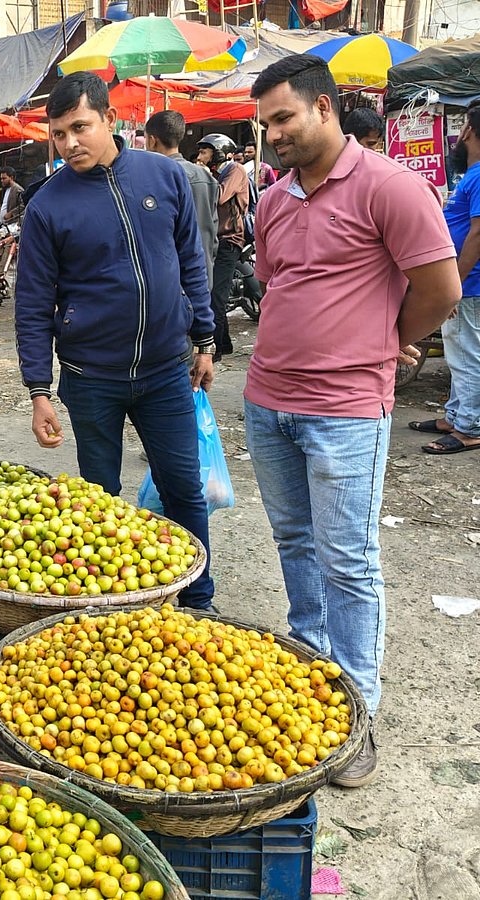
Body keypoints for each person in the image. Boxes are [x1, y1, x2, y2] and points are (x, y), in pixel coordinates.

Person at [247, 54, 460, 787]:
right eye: (265, 122)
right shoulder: (273, 202)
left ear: (326, 109)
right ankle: (313, 676)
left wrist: (390, 339)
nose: (274, 133)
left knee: (349, 561)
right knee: (295, 542)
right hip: (267, 401)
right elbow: (278, 286)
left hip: (346, 410)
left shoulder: (391, 188)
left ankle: (359, 712)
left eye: (285, 117)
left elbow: (442, 288)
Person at [16, 72, 218, 612]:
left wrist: (205, 337)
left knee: (183, 490)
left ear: (109, 119)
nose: (68, 144)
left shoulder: (163, 176)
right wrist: (38, 388)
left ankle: (197, 598)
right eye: (57, 134)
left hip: (165, 372)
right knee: (99, 499)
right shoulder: (47, 206)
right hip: (90, 380)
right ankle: (112, 608)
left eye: (79, 127)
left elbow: (190, 262)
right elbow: (33, 303)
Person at [415, 99, 480, 455]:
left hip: (469, 284)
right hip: (464, 283)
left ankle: (469, 427)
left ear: (468, 130)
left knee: (468, 355)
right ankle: (455, 417)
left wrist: (452, 285)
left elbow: (478, 234)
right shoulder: (473, 175)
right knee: (458, 353)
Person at [145, 110, 218, 288]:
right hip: (202, 275)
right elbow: (213, 231)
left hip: (173, 280)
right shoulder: (208, 177)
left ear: (152, 140)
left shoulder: (155, 177)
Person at [198, 133, 249, 361]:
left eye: (204, 152)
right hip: (217, 240)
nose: (200, 156)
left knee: (215, 297)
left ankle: (215, 350)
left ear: (217, 152)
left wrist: (202, 175)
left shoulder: (235, 170)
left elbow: (218, 196)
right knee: (215, 293)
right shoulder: (219, 173)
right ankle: (226, 343)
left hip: (230, 240)